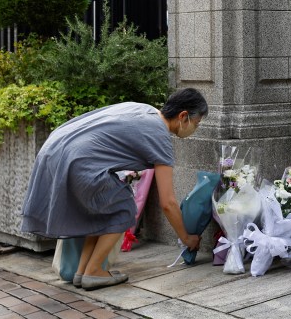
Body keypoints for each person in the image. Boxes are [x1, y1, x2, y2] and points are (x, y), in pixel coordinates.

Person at [21, 88, 208, 291]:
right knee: (124, 208)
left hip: (56, 151)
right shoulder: (160, 136)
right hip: (77, 162)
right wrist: (187, 238)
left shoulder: (145, 110)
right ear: (183, 116)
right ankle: (93, 272)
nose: (194, 130)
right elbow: (168, 202)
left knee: (102, 213)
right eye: (196, 124)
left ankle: (82, 272)